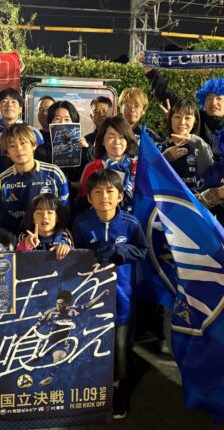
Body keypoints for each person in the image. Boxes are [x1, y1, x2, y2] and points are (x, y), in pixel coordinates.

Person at [73, 169, 148, 419]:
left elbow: (143, 250)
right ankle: (92, 391)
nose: (104, 197)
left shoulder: (130, 223)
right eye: (97, 192)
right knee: (90, 345)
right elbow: (72, 255)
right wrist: (89, 254)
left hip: (122, 298)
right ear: (89, 198)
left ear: (120, 196)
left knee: (121, 349)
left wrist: (120, 251)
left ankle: (119, 392)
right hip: (89, 301)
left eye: (110, 191)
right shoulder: (82, 223)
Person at [0, 123, 69, 235]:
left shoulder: (54, 173)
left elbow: (64, 212)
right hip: (17, 239)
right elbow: (2, 220)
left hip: (50, 237)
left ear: (34, 145)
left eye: (23, 143)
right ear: (7, 153)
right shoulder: (1, 181)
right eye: (12, 146)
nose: (19, 149)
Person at [31, 288, 110, 387]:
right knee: (34, 359)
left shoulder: (73, 311)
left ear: (67, 304)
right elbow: (37, 325)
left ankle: (49, 377)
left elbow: (89, 304)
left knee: (59, 358)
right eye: (57, 303)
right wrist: (25, 337)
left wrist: (102, 294)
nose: (59, 306)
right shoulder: (51, 312)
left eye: (61, 304)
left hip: (62, 343)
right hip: (49, 342)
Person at [79, 116, 138, 212]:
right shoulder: (92, 168)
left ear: (128, 140)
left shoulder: (138, 167)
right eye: (111, 137)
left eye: (121, 137)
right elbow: (83, 203)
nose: (117, 142)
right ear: (102, 140)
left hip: (134, 219)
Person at [0, 88, 44, 176]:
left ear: (20, 109)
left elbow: (41, 161)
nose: (9, 105)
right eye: (4, 101)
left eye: (13, 102)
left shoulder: (32, 132)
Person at [158, 98, 213, 195]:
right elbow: (151, 175)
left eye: (187, 118)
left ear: (195, 121)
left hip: (194, 201)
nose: (182, 122)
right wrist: (167, 157)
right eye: (177, 117)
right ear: (170, 119)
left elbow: (210, 173)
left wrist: (196, 142)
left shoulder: (201, 146)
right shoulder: (160, 147)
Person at [17, 194, 73, 259]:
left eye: (49, 212)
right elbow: (16, 259)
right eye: (39, 213)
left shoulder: (64, 236)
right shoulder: (25, 236)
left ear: (58, 217)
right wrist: (26, 245)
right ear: (32, 218)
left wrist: (65, 248)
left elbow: (73, 257)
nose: (44, 216)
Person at [82, 95, 114, 165]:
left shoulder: (119, 138)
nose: (101, 114)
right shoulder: (86, 141)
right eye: (96, 111)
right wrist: (88, 149)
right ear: (91, 116)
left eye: (104, 110)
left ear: (111, 114)